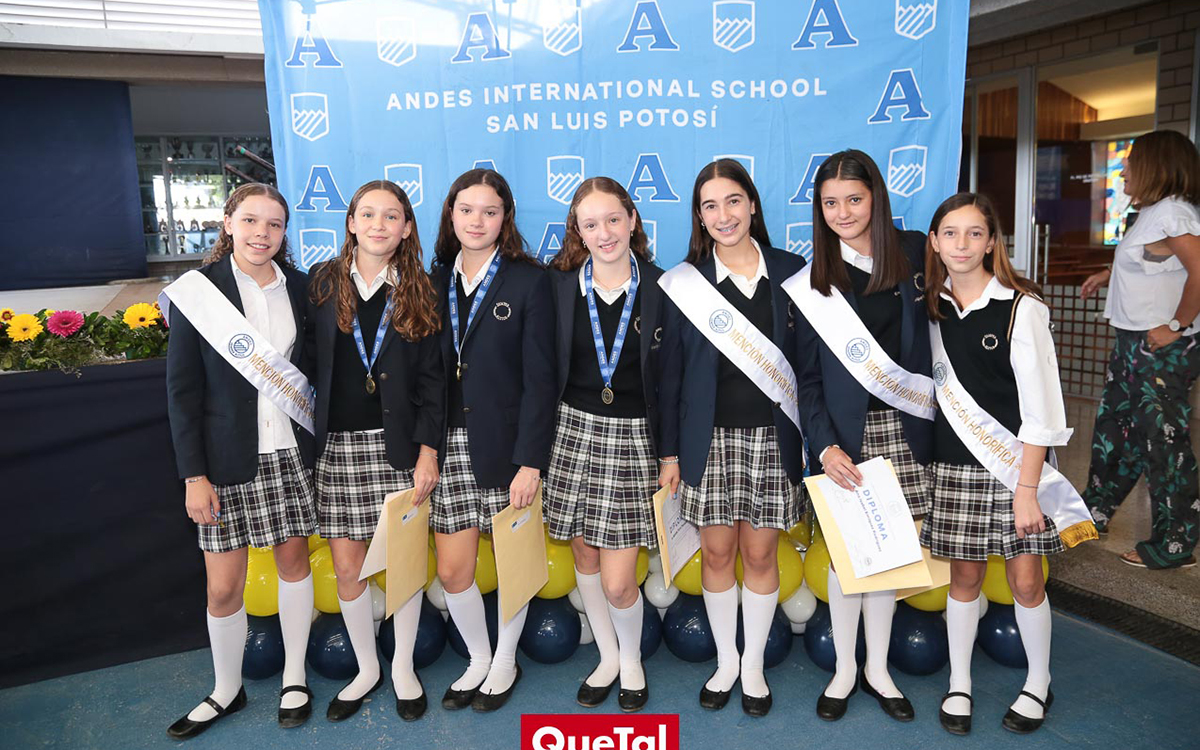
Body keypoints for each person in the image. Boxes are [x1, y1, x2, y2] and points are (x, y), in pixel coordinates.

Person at [923, 192, 1091, 736]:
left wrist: (1027, 489)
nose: (962, 245)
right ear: (934, 242)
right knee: (964, 577)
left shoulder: (1022, 307)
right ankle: (960, 682)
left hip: (1015, 469)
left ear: (992, 241)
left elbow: (1043, 412)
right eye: (951, 233)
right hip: (953, 467)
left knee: (1025, 579)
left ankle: (1039, 680)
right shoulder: (928, 308)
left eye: (975, 233)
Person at [163, 184, 317, 738]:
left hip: (288, 454)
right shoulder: (199, 292)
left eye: (274, 224)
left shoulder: (302, 288)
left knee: (294, 567)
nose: (261, 233)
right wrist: (194, 475)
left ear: (285, 232)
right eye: (250, 220)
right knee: (224, 588)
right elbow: (182, 391)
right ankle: (226, 689)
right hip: (224, 461)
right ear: (228, 222)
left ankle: (295, 676)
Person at [788, 149, 933, 723]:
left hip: (906, 428)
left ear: (876, 198)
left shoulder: (917, 253)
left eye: (854, 198)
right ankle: (845, 669)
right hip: (844, 439)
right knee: (849, 558)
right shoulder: (813, 282)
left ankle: (878, 670)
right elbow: (807, 378)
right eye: (830, 203)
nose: (843, 212)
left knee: (890, 559)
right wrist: (823, 446)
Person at [657, 159, 805, 717]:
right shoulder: (685, 283)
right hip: (708, 440)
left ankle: (754, 667)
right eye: (710, 205)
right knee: (717, 553)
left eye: (734, 201)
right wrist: (670, 453)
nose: (724, 215)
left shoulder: (792, 272)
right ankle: (725, 662)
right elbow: (670, 378)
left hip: (773, 439)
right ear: (699, 216)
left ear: (753, 204)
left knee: (760, 554)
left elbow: (811, 367)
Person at [307, 180, 443, 722]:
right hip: (337, 448)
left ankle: (403, 667)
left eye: (391, 216)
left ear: (406, 228)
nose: (378, 225)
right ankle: (367, 669)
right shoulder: (321, 282)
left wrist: (428, 451)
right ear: (351, 223)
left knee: (404, 566)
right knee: (348, 569)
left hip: (398, 447)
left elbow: (434, 382)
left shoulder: (421, 289)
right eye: (368, 214)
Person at [545, 177, 678, 712]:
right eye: (591, 224)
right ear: (578, 232)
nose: (604, 233)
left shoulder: (664, 289)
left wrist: (670, 454)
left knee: (620, 581)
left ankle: (632, 659)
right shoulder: (557, 287)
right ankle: (607, 656)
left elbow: (675, 382)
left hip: (634, 439)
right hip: (569, 433)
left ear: (633, 220)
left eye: (613, 220)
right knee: (583, 551)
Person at [428, 168, 556, 712]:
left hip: (508, 445)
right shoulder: (433, 279)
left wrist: (531, 461)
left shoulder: (530, 280)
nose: (476, 221)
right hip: (447, 443)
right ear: (450, 215)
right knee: (453, 570)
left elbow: (541, 380)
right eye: (466, 210)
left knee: (511, 564)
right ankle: (478, 657)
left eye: (490, 211)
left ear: (506, 218)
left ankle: (505, 660)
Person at [1079, 129, 1200, 570]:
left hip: (1161, 347)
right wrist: (1107, 274)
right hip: (1133, 341)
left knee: (1162, 443)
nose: (1123, 170)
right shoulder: (1152, 212)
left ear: (1156, 166)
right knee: (1116, 432)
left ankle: (1175, 543)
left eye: (1130, 162)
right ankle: (1093, 513)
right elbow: (1153, 261)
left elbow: (1199, 269)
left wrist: (1176, 326)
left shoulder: (1174, 212)